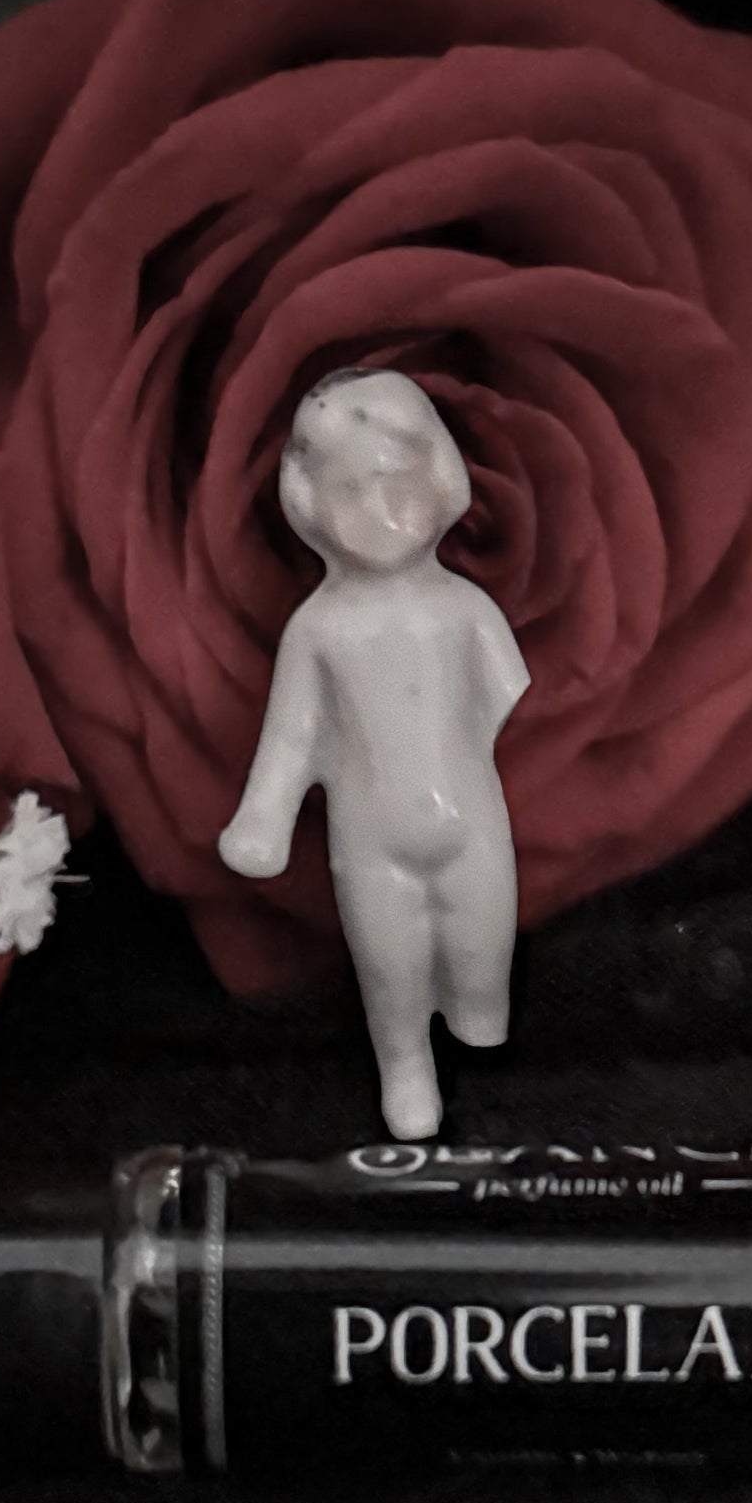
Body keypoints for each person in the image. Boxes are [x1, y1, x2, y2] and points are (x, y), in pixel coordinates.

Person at [219, 369, 528, 1140]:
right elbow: (292, 735)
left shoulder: (464, 609)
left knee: (483, 944)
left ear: (440, 475)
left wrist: (457, 752)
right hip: (370, 837)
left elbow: (504, 696)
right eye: (351, 491)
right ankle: (405, 1065)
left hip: (473, 821)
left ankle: (480, 1026)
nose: (381, 512)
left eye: (396, 481)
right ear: (309, 503)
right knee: (391, 968)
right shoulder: (318, 629)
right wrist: (264, 818)